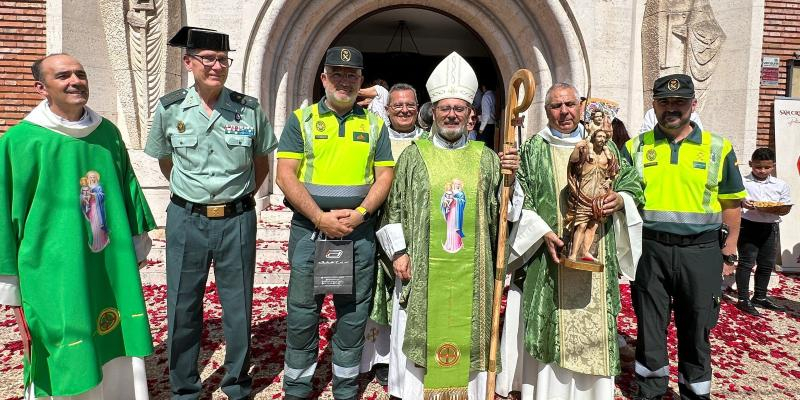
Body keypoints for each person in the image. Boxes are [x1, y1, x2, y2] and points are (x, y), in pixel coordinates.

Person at [0, 53, 156, 399]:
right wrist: (10, 286)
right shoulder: (21, 142)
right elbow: (4, 214)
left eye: (80, 74)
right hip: (53, 272)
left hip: (108, 263)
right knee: (65, 345)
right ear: (41, 87)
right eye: (63, 76)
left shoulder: (107, 133)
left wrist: (136, 244)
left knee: (116, 345)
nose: (75, 81)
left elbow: (127, 187)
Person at [375, 51, 520, 400]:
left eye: (459, 109)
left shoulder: (487, 158)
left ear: (471, 114)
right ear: (434, 113)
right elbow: (394, 207)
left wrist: (511, 181)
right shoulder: (414, 154)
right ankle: (412, 392)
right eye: (445, 108)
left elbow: (506, 214)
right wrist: (398, 252)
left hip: (472, 270)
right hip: (421, 267)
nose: (452, 114)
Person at [144, 26, 277, 400]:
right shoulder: (170, 109)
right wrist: (195, 196)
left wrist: (238, 197)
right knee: (183, 304)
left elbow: (260, 162)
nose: (216, 66)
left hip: (236, 218)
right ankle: (185, 387)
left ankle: (236, 383)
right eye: (208, 59)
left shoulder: (248, 109)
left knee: (238, 305)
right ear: (189, 63)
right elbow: (166, 161)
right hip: (187, 220)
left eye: (223, 59)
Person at [496, 82, 643, 399]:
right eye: (555, 106)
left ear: (581, 106)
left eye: (569, 104)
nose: (564, 111)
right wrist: (543, 233)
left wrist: (620, 199)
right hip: (548, 256)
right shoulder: (534, 149)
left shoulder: (606, 146)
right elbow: (521, 200)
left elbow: (632, 181)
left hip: (596, 250)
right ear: (546, 110)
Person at [275, 46, 394, 400]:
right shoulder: (302, 120)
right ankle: (297, 388)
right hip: (311, 232)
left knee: (353, 317)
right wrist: (319, 218)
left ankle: (344, 389)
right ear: (324, 78)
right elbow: (285, 175)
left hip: (357, 235)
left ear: (361, 82)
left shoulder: (374, 125)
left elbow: (384, 176)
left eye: (352, 75)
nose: (344, 81)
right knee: (301, 316)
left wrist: (360, 214)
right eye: (337, 74)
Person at [621, 74, 746, 400]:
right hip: (650, 250)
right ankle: (650, 391)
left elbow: (731, 204)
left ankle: (694, 393)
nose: (671, 109)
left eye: (679, 102)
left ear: (693, 103)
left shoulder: (718, 147)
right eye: (664, 102)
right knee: (649, 328)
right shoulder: (636, 147)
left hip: (701, 252)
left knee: (696, 331)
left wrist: (730, 252)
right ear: (654, 105)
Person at [360, 82, 425, 386]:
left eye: (409, 104)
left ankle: (406, 351)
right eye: (397, 105)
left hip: (414, 233)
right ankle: (380, 356)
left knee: (405, 296)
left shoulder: (427, 143)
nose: (404, 109)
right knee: (377, 295)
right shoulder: (376, 139)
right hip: (375, 228)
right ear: (386, 110)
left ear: (418, 107)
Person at [735, 147, 792, 316]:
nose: (762, 171)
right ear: (751, 164)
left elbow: (785, 207)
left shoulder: (780, 185)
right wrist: (743, 203)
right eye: (758, 167)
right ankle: (743, 299)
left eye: (766, 167)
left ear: (773, 166)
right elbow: (734, 201)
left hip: (770, 227)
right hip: (748, 225)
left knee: (766, 264)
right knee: (746, 263)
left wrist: (778, 209)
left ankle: (760, 296)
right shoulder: (743, 183)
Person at [566, 122, 620, 261]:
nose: (601, 139)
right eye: (599, 136)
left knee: (593, 225)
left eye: (604, 137)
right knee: (581, 224)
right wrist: (577, 148)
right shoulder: (585, 151)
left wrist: (610, 180)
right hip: (584, 192)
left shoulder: (609, 156)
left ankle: (585, 252)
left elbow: (614, 172)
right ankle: (573, 254)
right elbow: (573, 162)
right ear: (594, 137)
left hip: (599, 194)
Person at [638, 106, 703, 134]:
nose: (671, 109)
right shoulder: (651, 113)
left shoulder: (690, 114)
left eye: (679, 101)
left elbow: (700, 136)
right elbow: (643, 139)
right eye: (665, 101)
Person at [477, 83, 496, 147]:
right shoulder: (493, 94)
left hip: (486, 126)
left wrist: (481, 129)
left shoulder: (486, 96)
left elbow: (486, 115)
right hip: (492, 125)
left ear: (484, 87)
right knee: (490, 146)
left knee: (481, 148)